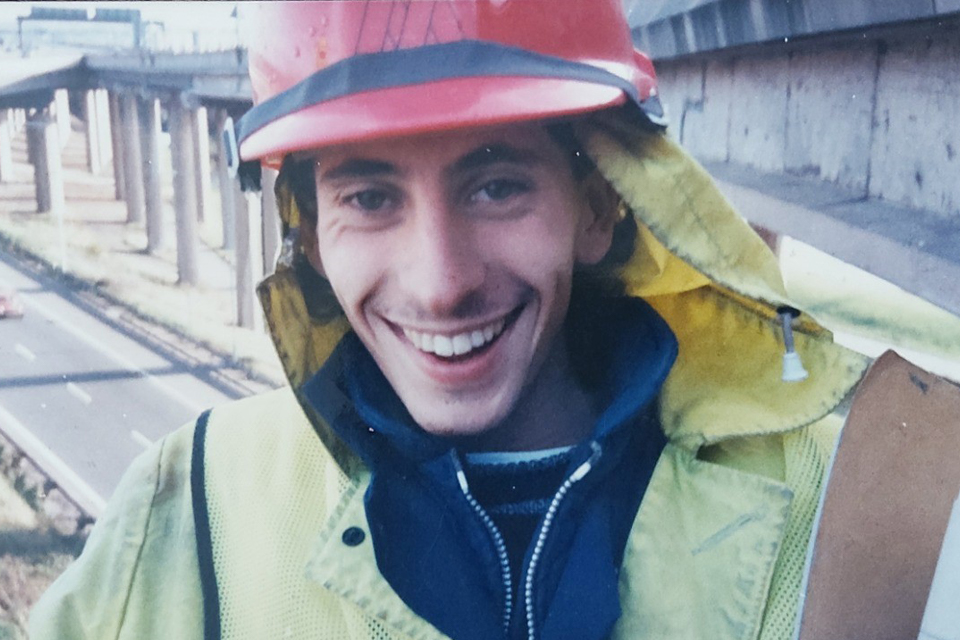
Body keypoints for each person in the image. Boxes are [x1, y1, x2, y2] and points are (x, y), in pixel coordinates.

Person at [29, 1, 873, 639]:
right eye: (369, 197)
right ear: (313, 239)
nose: (440, 285)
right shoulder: (192, 503)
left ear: (598, 206)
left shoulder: (852, 499)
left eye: (496, 184)